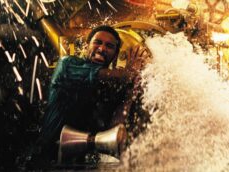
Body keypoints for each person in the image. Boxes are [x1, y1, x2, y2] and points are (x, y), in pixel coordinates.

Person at [30, 25, 149, 165]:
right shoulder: (68, 65)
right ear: (87, 46)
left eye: (109, 46)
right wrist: (130, 73)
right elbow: (117, 76)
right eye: (97, 42)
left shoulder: (111, 89)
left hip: (86, 165)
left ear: (116, 55)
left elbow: (115, 131)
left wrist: (130, 92)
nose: (102, 49)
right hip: (49, 162)